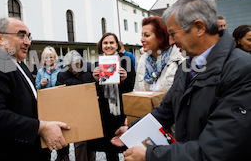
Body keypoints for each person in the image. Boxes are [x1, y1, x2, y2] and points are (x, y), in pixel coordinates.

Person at [112, 0, 251, 160]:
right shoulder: (187, 66)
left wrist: (151, 155)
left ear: (199, 27)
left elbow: (217, 149)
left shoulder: (242, 70)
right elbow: (166, 110)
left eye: (172, 33)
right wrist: (133, 130)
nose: (170, 41)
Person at [0, 17, 70, 161]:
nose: (28, 42)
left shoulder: (13, 62)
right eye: (21, 35)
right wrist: (40, 127)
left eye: (29, 37)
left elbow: (19, 101)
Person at [89, 33, 135, 161]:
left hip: (123, 110)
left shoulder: (126, 60)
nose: (108, 46)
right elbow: (95, 93)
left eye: (111, 43)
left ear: (117, 45)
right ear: (101, 45)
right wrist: (95, 80)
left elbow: (132, 87)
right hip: (106, 112)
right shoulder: (97, 64)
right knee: (110, 148)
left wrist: (125, 78)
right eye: (105, 43)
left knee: (128, 146)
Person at [56, 50, 96, 161]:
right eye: (70, 68)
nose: (73, 70)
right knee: (80, 142)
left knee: (92, 141)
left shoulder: (90, 68)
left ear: (80, 62)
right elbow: (59, 95)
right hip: (74, 112)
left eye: (75, 66)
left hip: (91, 110)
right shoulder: (62, 75)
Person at [134, 16, 184, 92]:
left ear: (160, 37)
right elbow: (136, 91)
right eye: (142, 35)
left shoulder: (178, 59)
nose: (142, 39)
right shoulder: (143, 60)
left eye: (147, 35)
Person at [35, 46, 66, 161]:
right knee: (48, 129)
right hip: (46, 104)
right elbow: (35, 88)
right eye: (47, 57)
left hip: (59, 102)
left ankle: (63, 155)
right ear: (43, 58)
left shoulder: (61, 69)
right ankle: (48, 153)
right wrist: (41, 85)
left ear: (55, 58)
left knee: (62, 128)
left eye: (51, 57)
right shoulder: (40, 72)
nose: (49, 59)